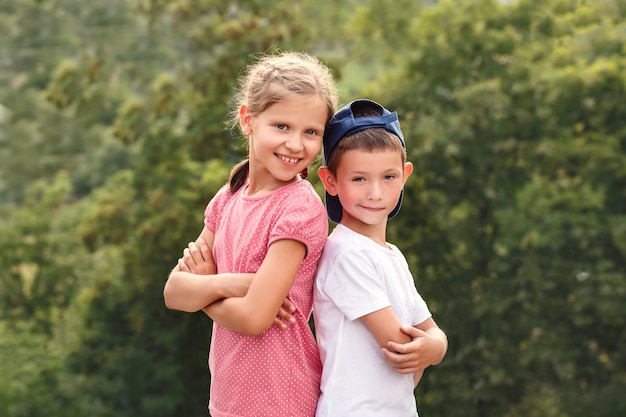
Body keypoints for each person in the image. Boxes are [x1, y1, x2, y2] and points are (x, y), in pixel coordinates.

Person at [163, 51, 339, 417]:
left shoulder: (299, 209)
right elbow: (174, 294)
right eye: (282, 126)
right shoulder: (227, 198)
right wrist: (238, 283)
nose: (295, 144)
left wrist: (207, 286)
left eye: (311, 132)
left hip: (280, 400)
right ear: (248, 120)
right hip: (228, 399)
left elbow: (255, 318)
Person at [313, 99, 448, 417]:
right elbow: (400, 347)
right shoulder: (347, 254)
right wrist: (430, 349)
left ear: (405, 175)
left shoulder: (392, 256)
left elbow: (430, 333)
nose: (375, 193)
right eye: (359, 179)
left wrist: (434, 348)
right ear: (330, 181)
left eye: (388, 177)